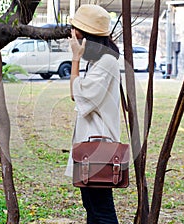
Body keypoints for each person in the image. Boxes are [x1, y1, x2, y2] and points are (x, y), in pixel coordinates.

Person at [65, 4, 121, 224]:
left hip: (98, 147)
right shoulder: (98, 61)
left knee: (102, 210)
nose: (72, 35)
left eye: (75, 31)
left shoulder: (106, 63)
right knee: (92, 207)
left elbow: (75, 93)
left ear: (86, 35)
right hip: (89, 146)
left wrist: (75, 58)